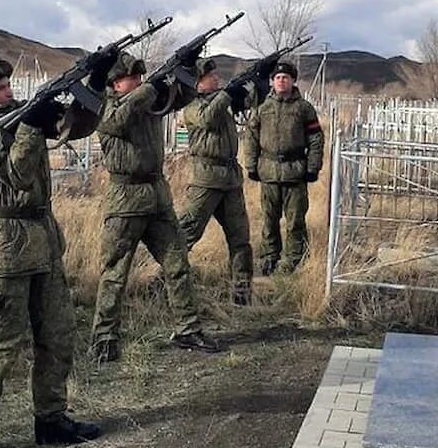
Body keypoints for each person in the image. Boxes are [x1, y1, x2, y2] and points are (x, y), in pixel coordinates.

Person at [0, 50, 115, 448]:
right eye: (1, 88)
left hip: (42, 243)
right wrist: (30, 122)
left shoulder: (17, 115)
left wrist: (93, 85)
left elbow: (76, 126)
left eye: (10, 86)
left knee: (58, 335)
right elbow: (15, 172)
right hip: (4, 249)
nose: (10, 92)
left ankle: (51, 420)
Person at [90, 51, 221, 363]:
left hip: (157, 198)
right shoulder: (105, 108)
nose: (136, 82)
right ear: (114, 84)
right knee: (116, 272)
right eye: (129, 78)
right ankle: (104, 335)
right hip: (125, 200)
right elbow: (119, 120)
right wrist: (150, 87)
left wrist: (187, 70)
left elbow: (181, 97)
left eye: (139, 76)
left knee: (178, 265)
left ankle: (187, 329)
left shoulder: (146, 100)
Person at [177, 58, 274, 305]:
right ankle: (169, 288)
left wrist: (261, 79)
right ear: (198, 83)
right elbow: (208, 118)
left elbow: (254, 101)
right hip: (205, 181)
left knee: (240, 240)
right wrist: (228, 93)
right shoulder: (192, 107)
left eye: (215, 75)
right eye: (210, 76)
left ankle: (242, 295)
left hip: (230, 181)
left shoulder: (223, 100)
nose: (216, 79)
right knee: (184, 236)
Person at [244, 61, 324, 275]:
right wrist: (251, 165)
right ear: (272, 81)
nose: (281, 81)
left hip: (295, 172)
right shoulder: (263, 107)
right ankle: (270, 257)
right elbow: (251, 137)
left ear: (293, 81)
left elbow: (316, 139)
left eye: (286, 77)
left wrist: (313, 167)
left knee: (295, 221)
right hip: (268, 172)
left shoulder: (304, 108)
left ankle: (293, 260)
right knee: (269, 220)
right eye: (278, 78)